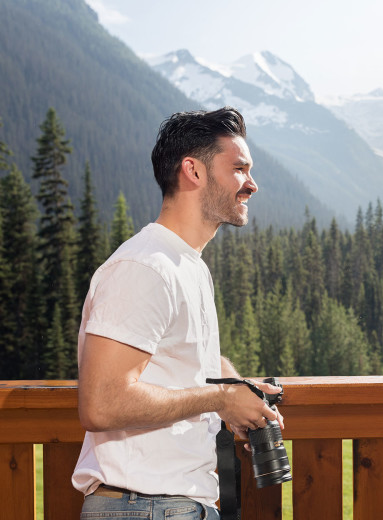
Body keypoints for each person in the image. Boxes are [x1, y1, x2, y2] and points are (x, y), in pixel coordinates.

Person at [72, 107, 284, 520]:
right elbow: (101, 403)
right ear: (194, 171)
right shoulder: (144, 266)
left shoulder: (186, 264)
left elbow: (188, 359)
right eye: (239, 168)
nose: (252, 184)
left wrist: (238, 391)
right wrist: (222, 397)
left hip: (168, 506)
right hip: (144, 506)